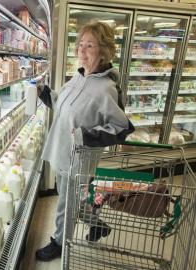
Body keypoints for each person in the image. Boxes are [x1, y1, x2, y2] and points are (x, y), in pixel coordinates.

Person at [35, 22, 135, 262]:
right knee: (68, 196)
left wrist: (87, 134)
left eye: (89, 45)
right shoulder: (78, 77)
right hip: (62, 149)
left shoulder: (107, 89)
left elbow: (122, 127)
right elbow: (67, 109)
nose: (82, 50)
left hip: (78, 157)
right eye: (80, 44)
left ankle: (60, 242)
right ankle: (97, 224)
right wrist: (49, 97)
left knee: (66, 203)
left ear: (104, 50)